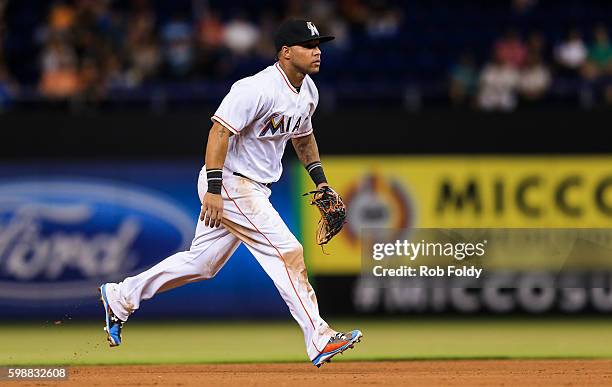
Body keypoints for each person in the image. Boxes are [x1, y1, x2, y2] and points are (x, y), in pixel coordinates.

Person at [99, 19, 362, 368]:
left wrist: (321, 182)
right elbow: (218, 133)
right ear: (285, 53)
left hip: (252, 187)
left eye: (318, 45)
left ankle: (120, 296)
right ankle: (320, 337)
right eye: (308, 46)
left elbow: (303, 137)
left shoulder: (308, 91)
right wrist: (213, 188)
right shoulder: (256, 88)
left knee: (202, 263)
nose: (317, 51)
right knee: (288, 251)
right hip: (230, 182)